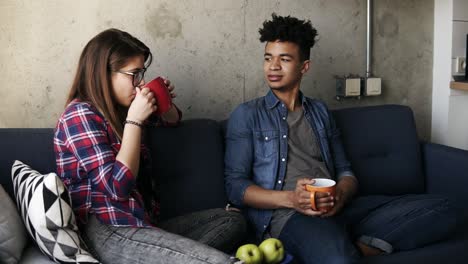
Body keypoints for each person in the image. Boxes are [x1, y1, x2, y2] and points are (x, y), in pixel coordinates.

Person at [224, 14, 458, 264]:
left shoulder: (320, 112)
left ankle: (359, 246)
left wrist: (340, 196)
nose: (273, 67)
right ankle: (342, 248)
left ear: (304, 66)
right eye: (268, 58)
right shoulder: (247, 114)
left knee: (449, 206)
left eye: (284, 59)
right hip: (291, 216)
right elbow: (235, 187)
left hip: (341, 207)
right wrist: (292, 199)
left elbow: (346, 172)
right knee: (339, 260)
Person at [54, 28, 246, 264]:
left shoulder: (122, 107)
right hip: (108, 230)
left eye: (142, 73)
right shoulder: (79, 115)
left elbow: (172, 120)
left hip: (141, 225)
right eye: (134, 74)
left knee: (232, 221)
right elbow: (116, 189)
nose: (141, 82)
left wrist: (164, 101)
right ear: (103, 75)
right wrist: (134, 121)